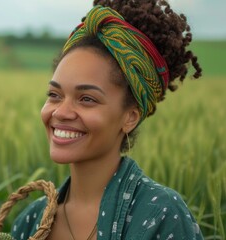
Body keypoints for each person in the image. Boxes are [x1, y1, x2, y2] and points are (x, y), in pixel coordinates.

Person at [10, 0, 203, 239]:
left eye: (87, 99)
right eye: (54, 95)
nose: (60, 112)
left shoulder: (160, 215)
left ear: (130, 117)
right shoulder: (29, 221)